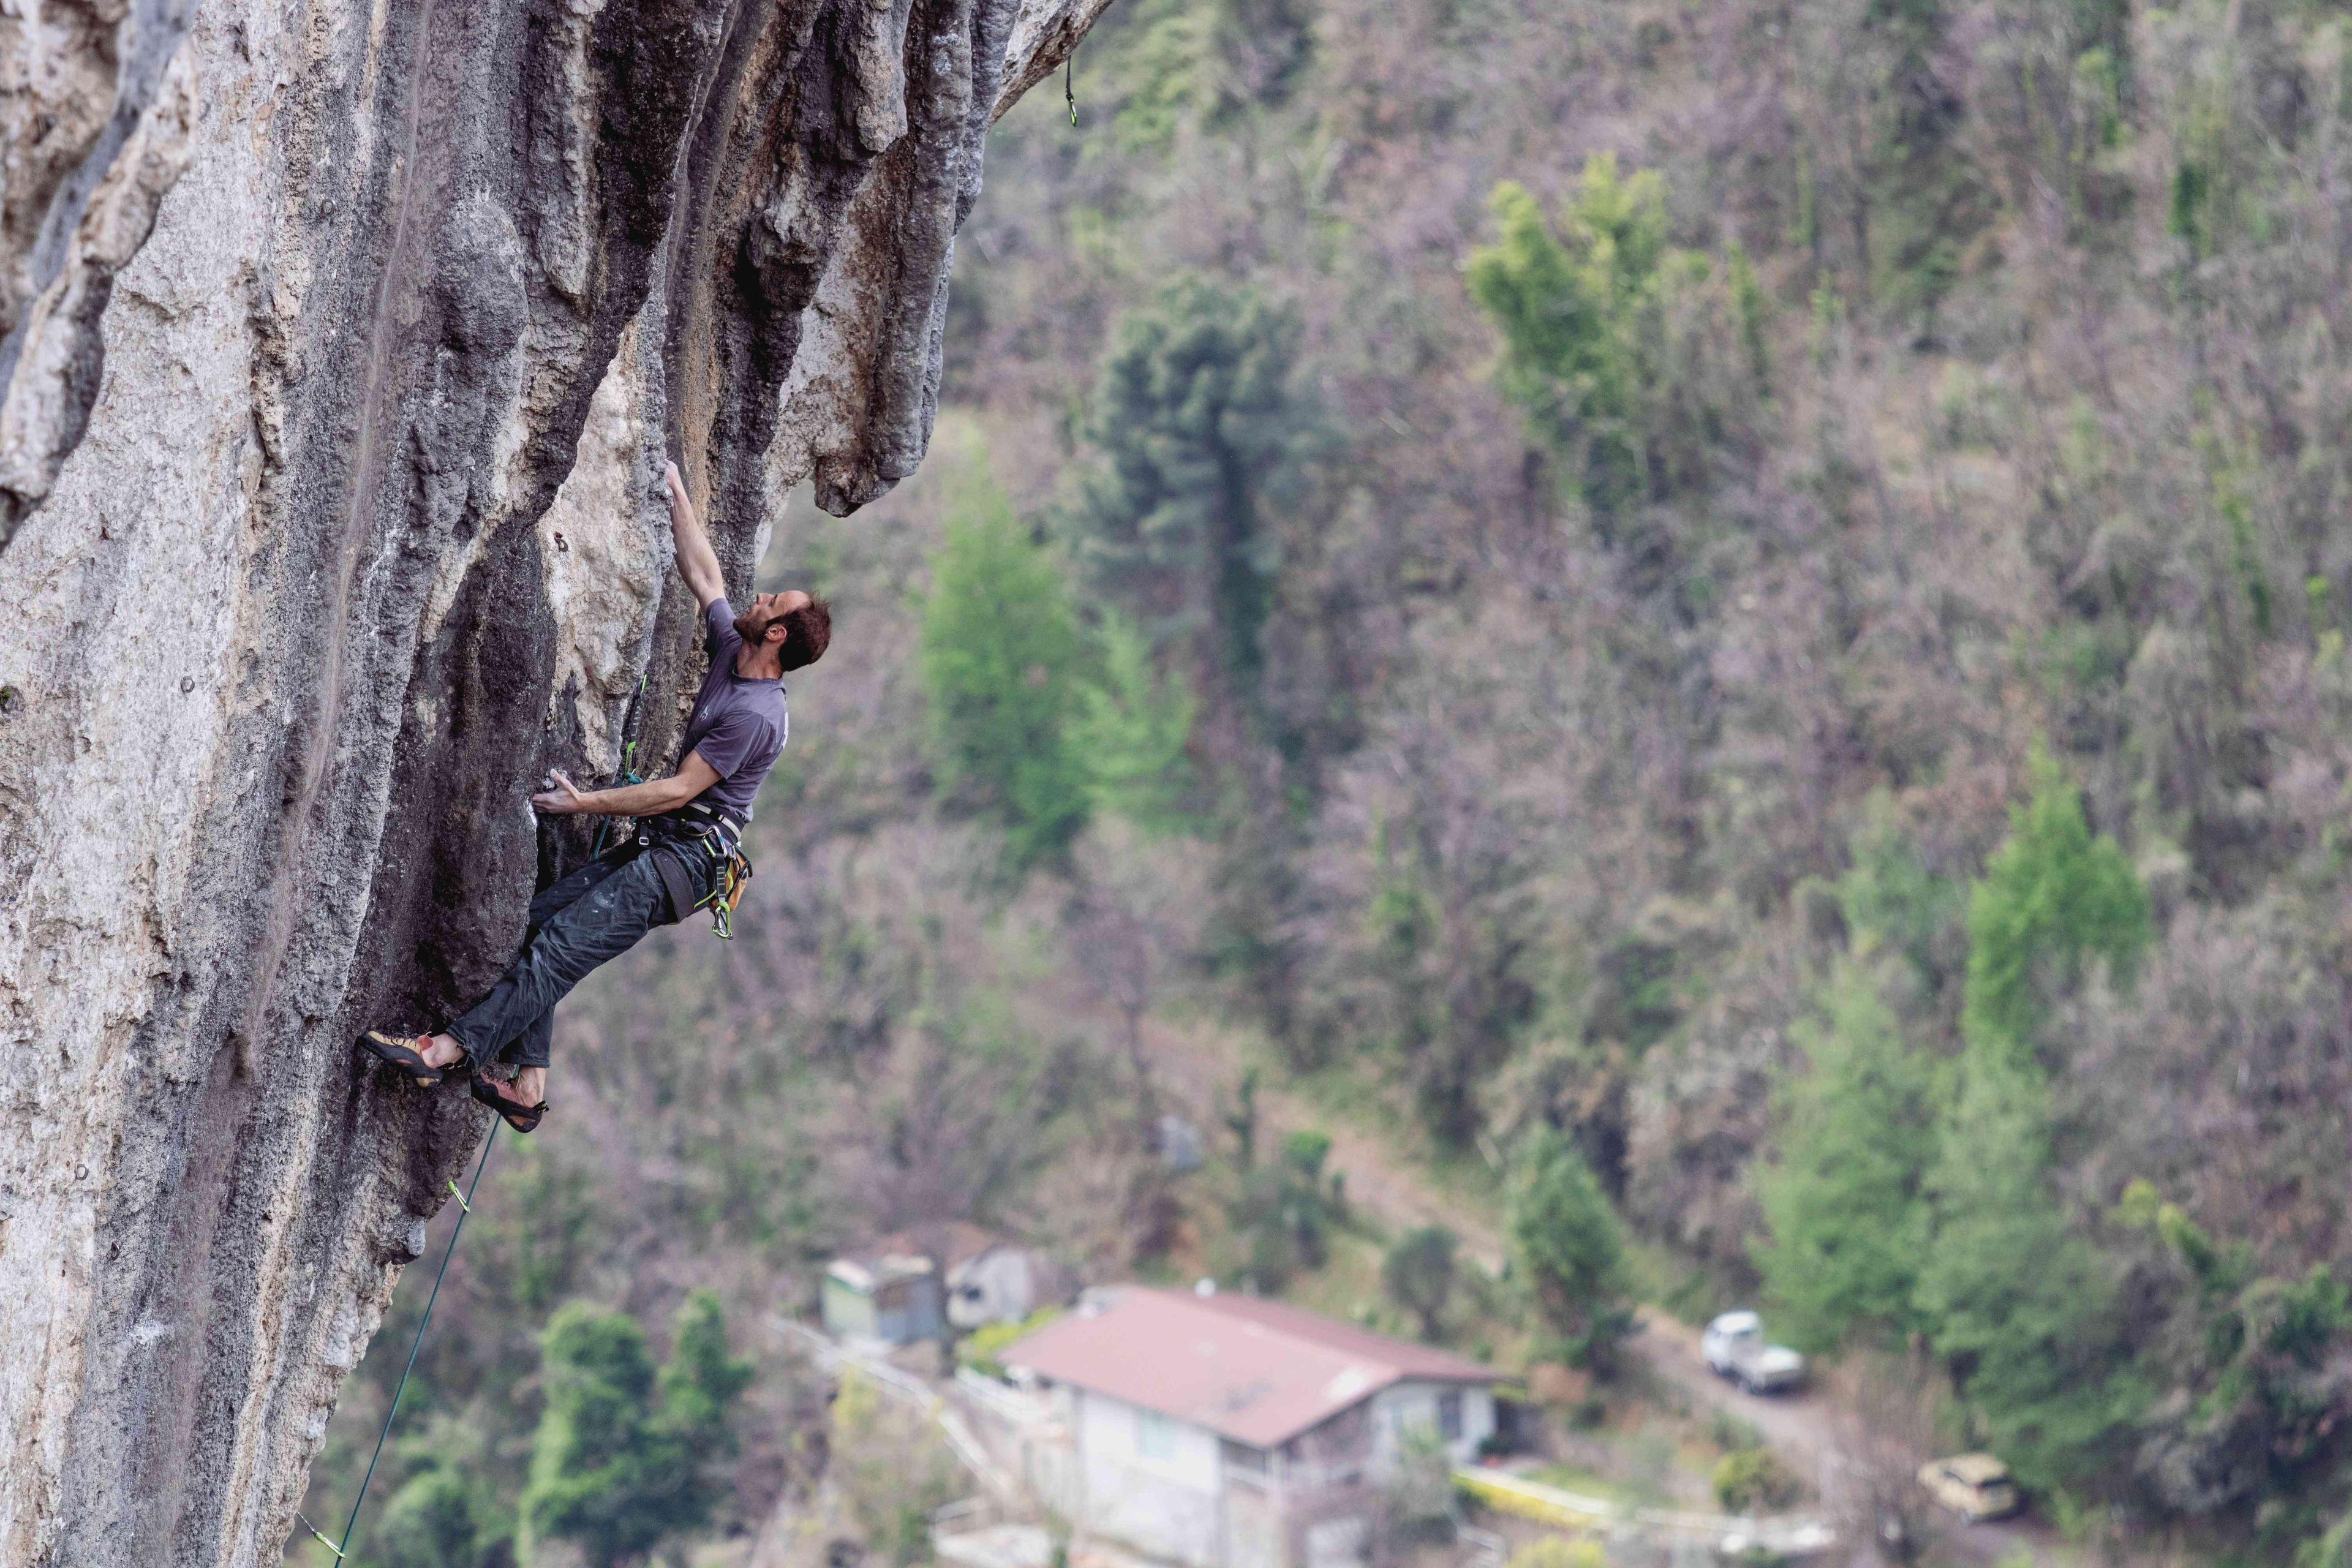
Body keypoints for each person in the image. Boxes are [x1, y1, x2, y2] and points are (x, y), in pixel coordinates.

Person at [359, 460, 830, 1131]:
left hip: (684, 864)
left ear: (777, 635)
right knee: (539, 921)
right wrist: (675, 495)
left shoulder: (757, 715)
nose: (759, 600)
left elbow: (676, 790)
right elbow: (707, 579)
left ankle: (441, 1050)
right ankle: (528, 1085)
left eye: (773, 604)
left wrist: (583, 805)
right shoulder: (736, 651)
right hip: (666, 848)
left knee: (558, 948)